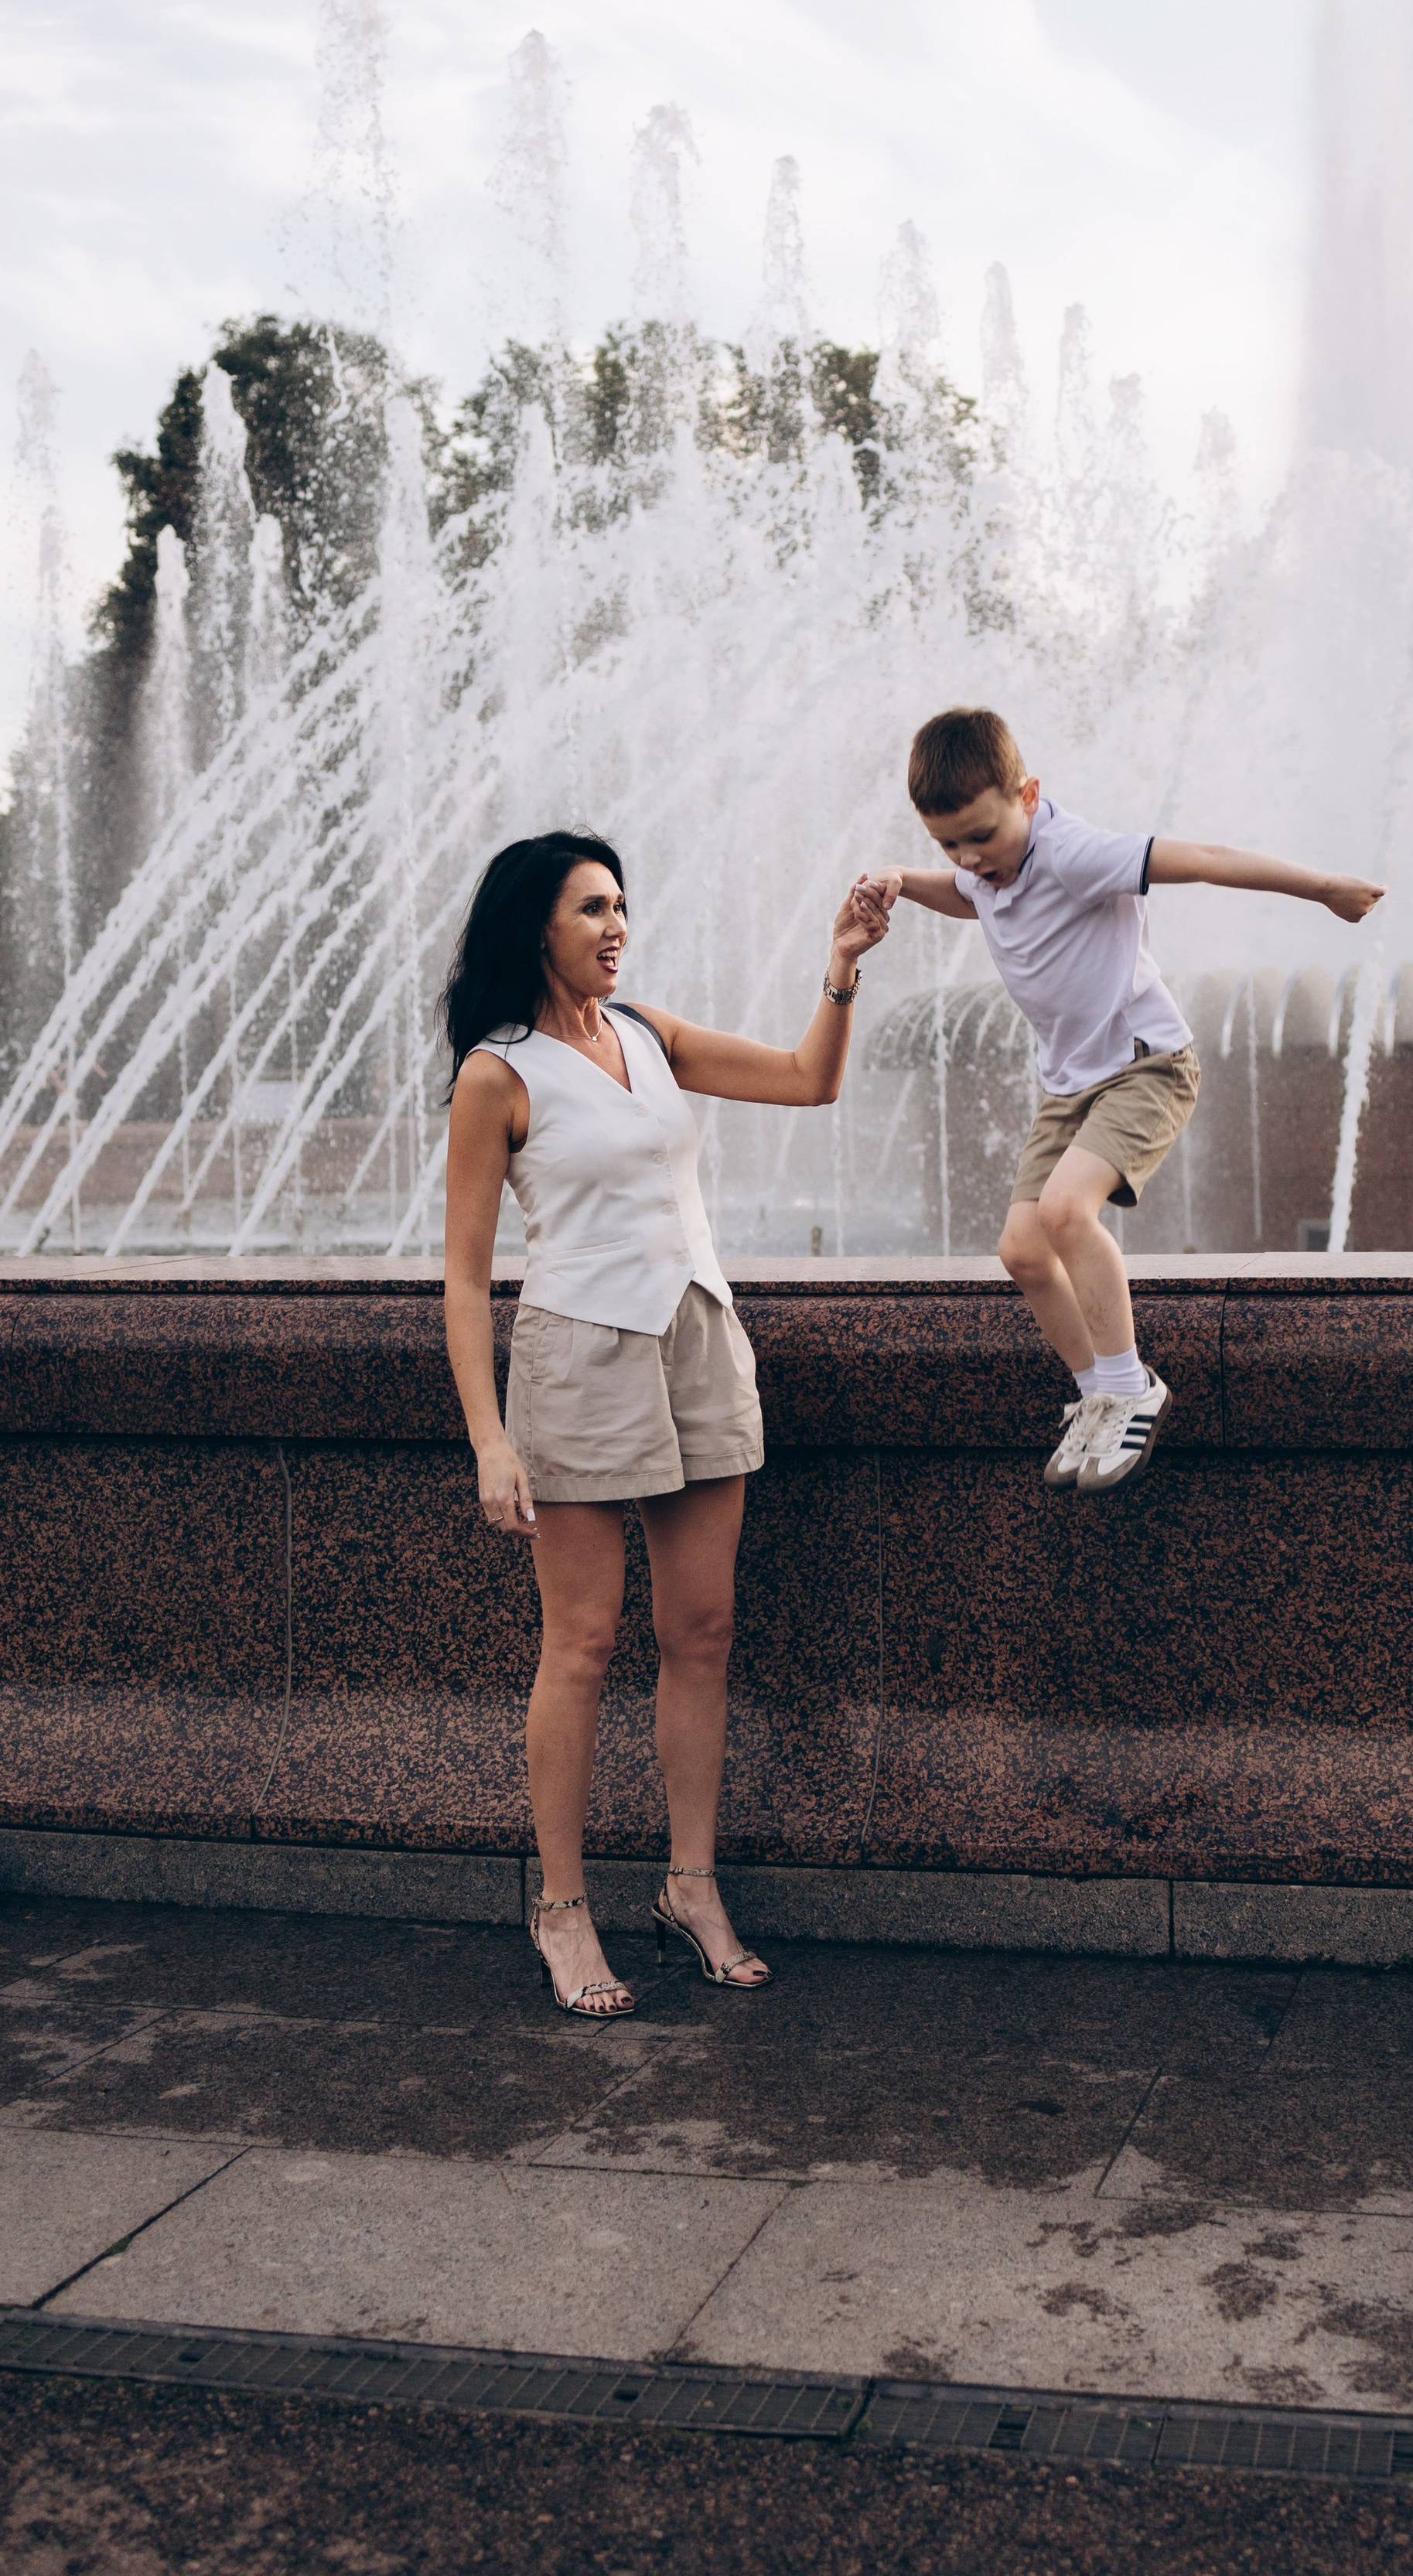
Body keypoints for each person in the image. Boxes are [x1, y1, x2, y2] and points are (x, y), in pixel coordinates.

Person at [442, 830, 887, 2016]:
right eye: (592, 908)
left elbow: (809, 1079)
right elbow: (465, 1276)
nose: (615, 926)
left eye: (622, 906)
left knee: (704, 1632)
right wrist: (490, 1436)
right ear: (537, 925)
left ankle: (691, 1888)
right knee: (582, 1647)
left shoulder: (649, 1033)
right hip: (579, 1354)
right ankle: (562, 1909)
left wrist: (841, 964)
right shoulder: (499, 1072)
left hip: (697, 1336)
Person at [855, 708, 1381, 1499]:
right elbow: (969, 894)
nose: (969, 858)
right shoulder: (988, 865)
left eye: (980, 835)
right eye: (947, 844)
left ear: (1028, 795)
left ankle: (1134, 1388)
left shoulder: (1073, 853)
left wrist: (1323, 889)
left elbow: (1203, 859)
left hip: (1146, 1066)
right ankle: (1098, 1391)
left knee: (1068, 1213)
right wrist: (906, 879)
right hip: (1067, 1087)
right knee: (1023, 1251)